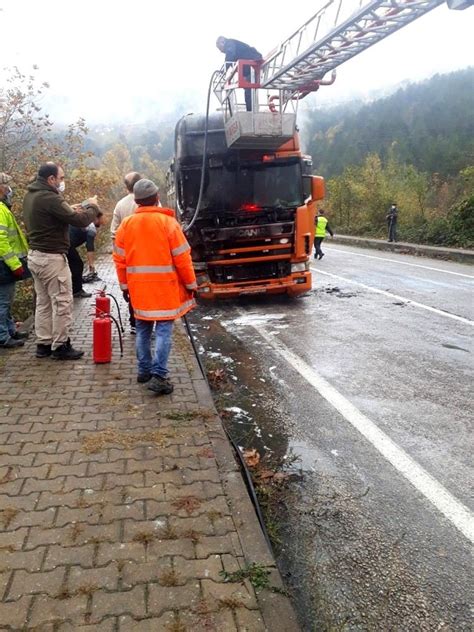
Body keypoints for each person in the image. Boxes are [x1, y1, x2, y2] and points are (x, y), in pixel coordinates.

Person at [113, 179, 197, 395]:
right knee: (163, 330)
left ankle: (144, 371)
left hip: (139, 290)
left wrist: (124, 287)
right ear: (157, 198)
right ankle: (159, 375)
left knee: (142, 329)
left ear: (137, 201)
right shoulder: (168, 224)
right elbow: (183, 258)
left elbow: (119, 260)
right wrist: (191, 284)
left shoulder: (126, 225)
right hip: (165, 290)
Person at [22, 162, 99, 360]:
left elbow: (54, 213)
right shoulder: (50, 197)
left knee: (44, 303)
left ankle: (44, 344)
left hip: (36, 256)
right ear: (51, 179)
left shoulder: (31, 195)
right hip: (52, 259)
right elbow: (81, 221)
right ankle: (61, 345)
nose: (62, 181)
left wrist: (71, 208)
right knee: (63, 302)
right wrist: (92, 205)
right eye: (61, 178)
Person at [0, 173, 29, 349]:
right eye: (7, 186)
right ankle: (3, 336)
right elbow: (1, 240)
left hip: (5, 264)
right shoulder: (0, 210)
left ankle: (10, 330)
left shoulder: (3, 208)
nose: (9, 190)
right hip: (3, 264)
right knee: (3, 301)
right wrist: (15, 264)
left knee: (7, 300)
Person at [111, 172, 142, 334]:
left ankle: (134, 323)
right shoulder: (150, 201)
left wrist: (118, 257)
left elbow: (114, 233)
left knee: (132, 290)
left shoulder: (120, 205)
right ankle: (149, 322)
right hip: (149, 255)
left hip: (129, 256)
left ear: (126, 187)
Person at [216, 36, 262, 112]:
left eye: (220, 48)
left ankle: (250, 112)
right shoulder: (233, 45)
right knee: (248, 90)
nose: (221, 51)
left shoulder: (229, 43)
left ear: (222, 42)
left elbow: (230, 56)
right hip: (250, 66)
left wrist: (223, 71)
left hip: (253, 62)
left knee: (249, 90)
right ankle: (250, 111)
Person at [67, 211, 104, 298]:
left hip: (62, 242)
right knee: (78, 265)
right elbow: (90, 247)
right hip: (66, 243)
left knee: (70, 265)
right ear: (95, 218)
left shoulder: (86, 224)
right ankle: (77, 291)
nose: (103, 221)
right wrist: (91, 265)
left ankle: (70, 288)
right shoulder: (91, 227)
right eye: (102, 218)